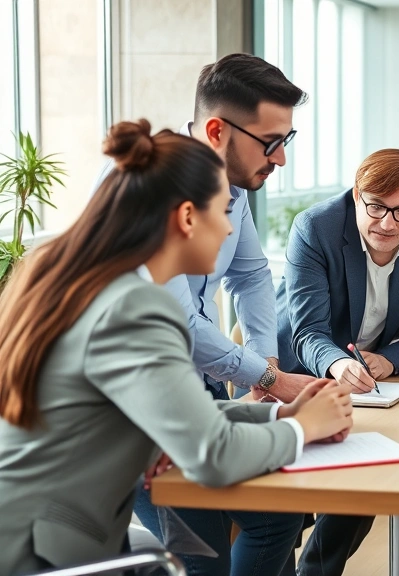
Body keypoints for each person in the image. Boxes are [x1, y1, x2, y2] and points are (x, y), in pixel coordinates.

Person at [0, 120, 354, 575]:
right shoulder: (137, 306)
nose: (229, 230)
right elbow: (213, 455)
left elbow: (180, 420)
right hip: (46, 557)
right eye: (223, 211)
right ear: (187, 217)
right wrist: (303, 429)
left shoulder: (73, 276)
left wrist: (280, 415)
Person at [115, 54, 316, 576]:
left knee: (277, 516)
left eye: (286, 142)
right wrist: (276, 388)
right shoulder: (151, 192)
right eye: (272, 142)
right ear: (216, 130)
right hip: (142, 417)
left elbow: (250, 275)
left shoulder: (228, 187)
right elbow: (182, 324)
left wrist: (268, 380)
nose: (281, 159)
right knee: (205, 558)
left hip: (182, 399)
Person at [276, 148, 399, 575]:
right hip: (298, 372)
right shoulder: (316, 227)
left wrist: (389, 361)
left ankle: (316, 571)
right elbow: (307, 332)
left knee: (367, 478)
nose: (387, 222)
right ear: (357, 196)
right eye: (375, 206)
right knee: (284, 516)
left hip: (373, 383)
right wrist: (338, 365)